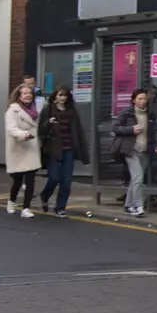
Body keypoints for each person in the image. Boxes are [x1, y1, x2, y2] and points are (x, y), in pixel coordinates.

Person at [37, 85, 88, 217]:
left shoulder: (71, 111)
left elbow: (78, 131)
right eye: (60, 95)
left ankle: (60, 207)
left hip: (68, 149)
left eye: (64, 95)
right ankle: (44, 195)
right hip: (54, 149)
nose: (62, 98)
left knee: (66, 181)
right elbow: (41, 130)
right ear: (54, 97)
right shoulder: (48, 110)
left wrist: (81, 149)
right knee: (54, 178)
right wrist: (49, 123)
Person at [112, 88, 157, 218]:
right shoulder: (127, 113)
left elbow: (156, 132)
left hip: (144, 150)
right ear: (133, 100)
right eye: (140, 99)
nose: (143, 101)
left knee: (135, 179)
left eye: (144, 99)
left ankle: (128, 205)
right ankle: (138, 206)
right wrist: (130, 129)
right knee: (138, 177)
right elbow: (115, 127)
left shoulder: (150, 115)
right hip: (130, 150)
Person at [3, 84, 41, 218]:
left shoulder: (36, 110)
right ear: (19, 96)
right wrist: (24, 135)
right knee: (18, 180)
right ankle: (11, 201)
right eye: (24, 93)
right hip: (18, 148)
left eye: (30, 93)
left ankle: (26, 208)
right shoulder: (12, 111)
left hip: (31, 147)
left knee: (30, 179)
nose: (27, 95)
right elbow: (11, 129)